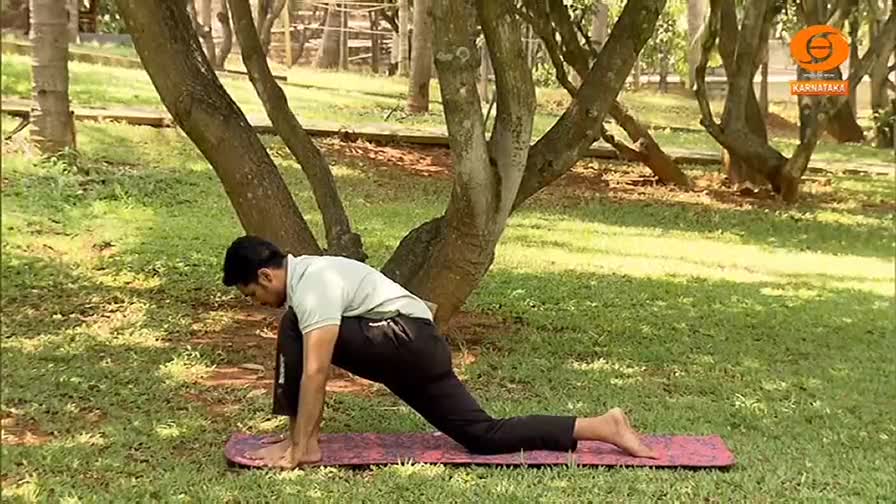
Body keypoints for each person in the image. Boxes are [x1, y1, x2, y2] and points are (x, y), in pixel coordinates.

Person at [221, 235, 658, 469]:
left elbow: (315, 372)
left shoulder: (312, 284)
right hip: (415, 346)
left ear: (265, 275)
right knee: (480, 434)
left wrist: (301, 448)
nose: (254, 302)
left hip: (404, 340)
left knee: (296, 324)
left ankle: (306, 444)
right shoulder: (310, 280)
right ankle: (602, 426)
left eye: (250, 294)